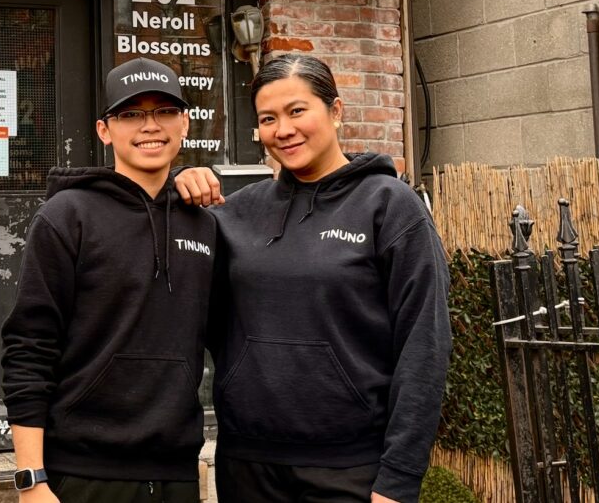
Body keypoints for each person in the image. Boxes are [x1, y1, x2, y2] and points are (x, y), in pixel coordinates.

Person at [175, 54, 451, 503]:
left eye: (297, 110)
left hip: (350, 468)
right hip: (247, 466)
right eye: (268, 118)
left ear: (336, 111)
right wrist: (176, 181)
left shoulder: (389, 206)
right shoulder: (237, 212)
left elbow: (425, 344)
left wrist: (399, 478)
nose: (283, 130)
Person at [1, 57, 217, 503]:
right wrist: (30, 479)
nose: (149, 126)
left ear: (185, 124)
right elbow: (29, 345)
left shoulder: (207, 223)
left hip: (175, 471)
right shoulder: (66, 217)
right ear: (105, 130)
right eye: (131, 114)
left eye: (164, 112)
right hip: (82, 471)